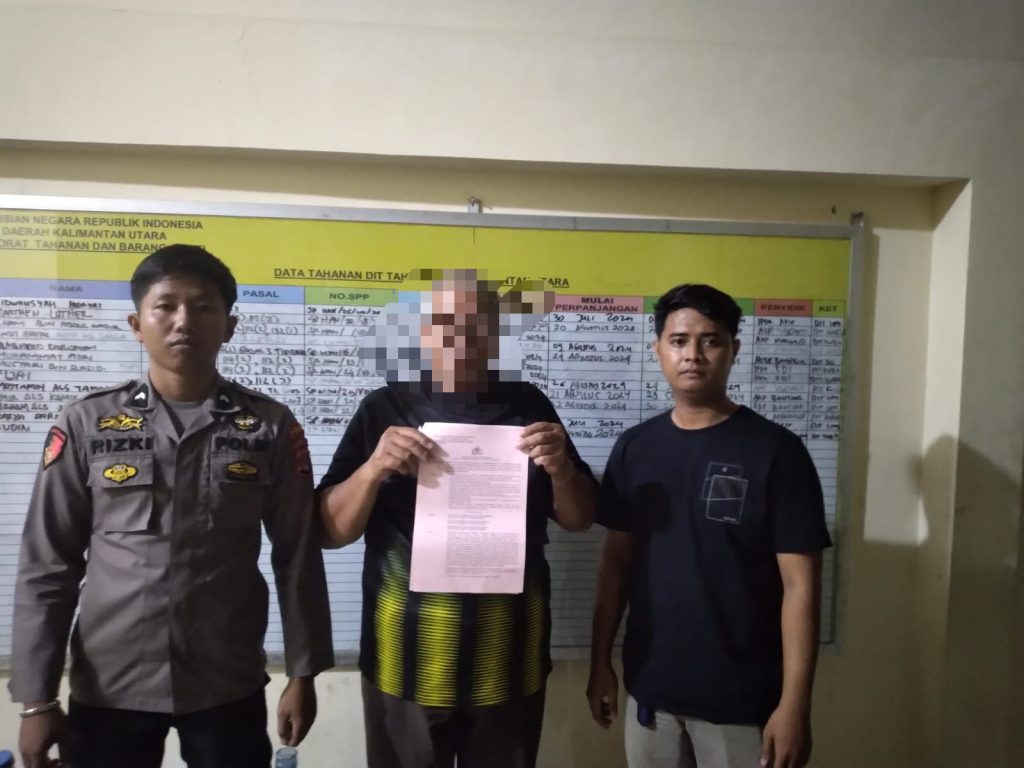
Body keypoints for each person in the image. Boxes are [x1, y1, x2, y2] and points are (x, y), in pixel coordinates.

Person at [10, 244, 334, 768]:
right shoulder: (85, 423)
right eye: (166, 306)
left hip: (225, 681)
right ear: (137, 324)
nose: (184, 321)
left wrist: (303, 673)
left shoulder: (269, 426)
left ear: (229, 326)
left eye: (203, 306)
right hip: (111, 685)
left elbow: (297, 556)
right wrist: (37, 700)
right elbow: (48, 565)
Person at [317, 270, 598, 768]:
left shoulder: (529, 404)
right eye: (446, 323)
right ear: (425, 331)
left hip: (509, 654)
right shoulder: (384, 408)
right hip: (405, 656)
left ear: (495, 333)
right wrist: (373, 468)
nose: (460, 338)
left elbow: (579, 519)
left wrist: (561, 470)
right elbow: (330, 531)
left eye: (476, 325)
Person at [587, 283, 831, 768]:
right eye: (679, 341)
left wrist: (794, 706)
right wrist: (600, 664)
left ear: (733, 349)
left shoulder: (776, 452)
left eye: (711, 340)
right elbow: (616, 563)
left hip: (743, 703)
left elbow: (800, 586)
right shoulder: (635, 447)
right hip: (650, 694)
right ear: (658, 350)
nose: (693, 355)